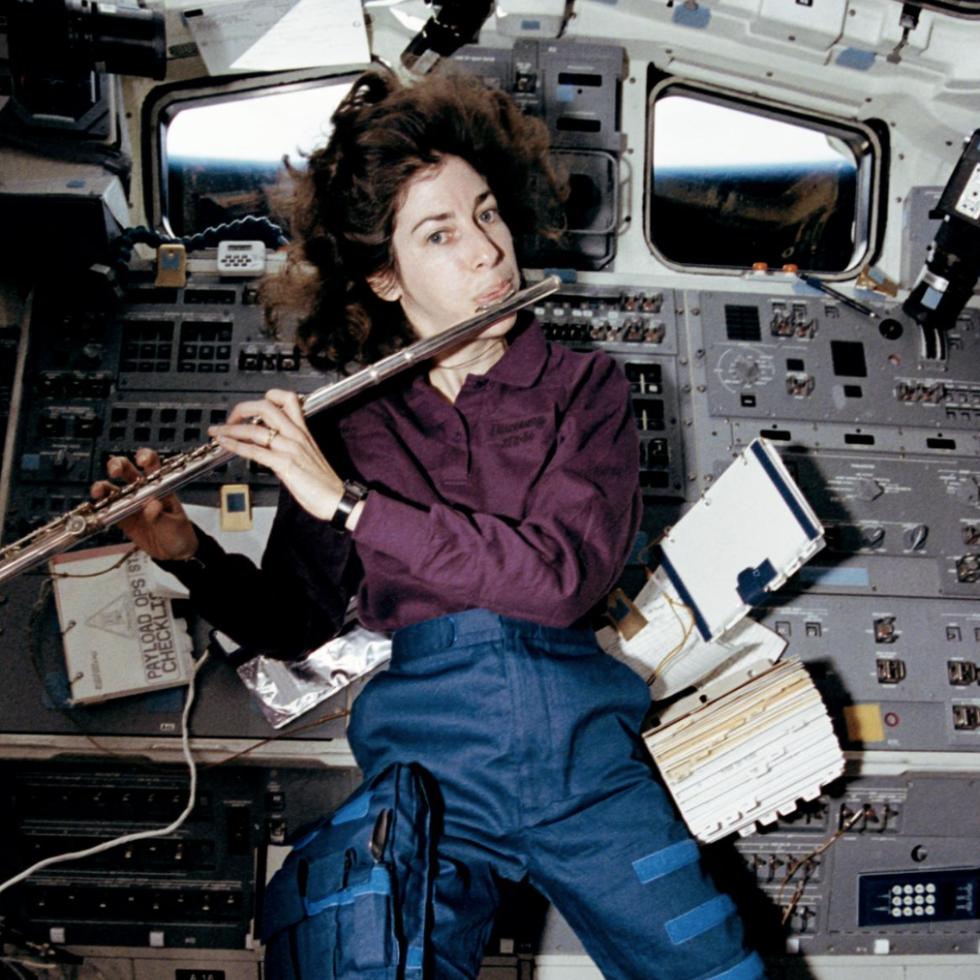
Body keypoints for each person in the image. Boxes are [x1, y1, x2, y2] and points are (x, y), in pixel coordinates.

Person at [94, 67, 764, 980]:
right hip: (428, 774)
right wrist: (188, 554)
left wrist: (350, 503)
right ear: (382, 275)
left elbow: (558, 579)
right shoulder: (350, 426)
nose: (489, 252)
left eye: (487, 214)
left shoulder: (585, 390)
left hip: (584, 765)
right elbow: (295, 623)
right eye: (441, 233)